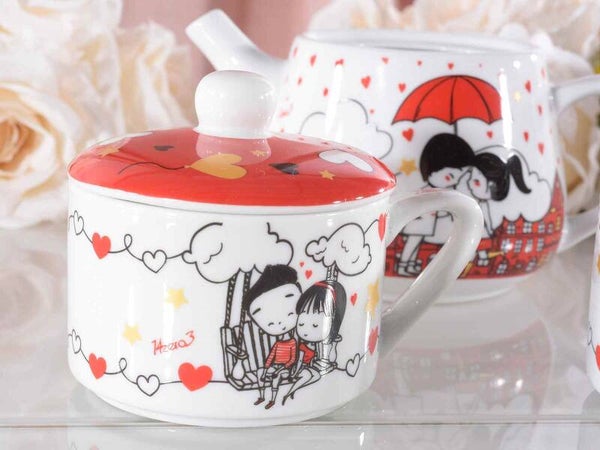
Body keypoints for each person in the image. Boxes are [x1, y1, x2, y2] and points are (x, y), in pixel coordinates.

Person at [399, 133, 475, 275]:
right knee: (413, 242)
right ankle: (403, 265)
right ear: (432, 168)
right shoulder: (422, 192)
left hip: (426, 223)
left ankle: (409, 264)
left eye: (458, 179)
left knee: (416, 242)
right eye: (451, 176)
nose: (454, 182)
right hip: (417, 221)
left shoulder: (436, 194)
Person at [241, 264, 302, 409]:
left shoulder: (293, 343)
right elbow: (271, 356)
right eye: (270, 323)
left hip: (286, 369)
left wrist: (279, 370)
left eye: (289, 313)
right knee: (259, 373)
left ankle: (273, 400)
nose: (278, 323)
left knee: (276, 378)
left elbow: (292, 359)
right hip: (275, 367)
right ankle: (262, 396)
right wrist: (267, 367)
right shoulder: (278, 344)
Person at [282, 279, 347, 405]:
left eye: (315, 325)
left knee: (314, 376)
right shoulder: (303, 346)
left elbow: (331, 359)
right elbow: (299, 360)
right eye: (301, 324)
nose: (306, 331)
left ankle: (291, 392)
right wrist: (295, 371)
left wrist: (333, 344)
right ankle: (290, 393)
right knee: (309, 375)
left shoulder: (324, 343)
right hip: (306, 368)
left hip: (318, 368)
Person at [467, 153, 531, 236]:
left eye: (476, 182)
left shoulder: (485, 207)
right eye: (469, 177)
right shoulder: (482, 205)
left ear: (491, 185)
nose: (468, 183)